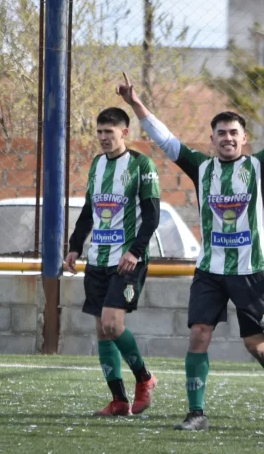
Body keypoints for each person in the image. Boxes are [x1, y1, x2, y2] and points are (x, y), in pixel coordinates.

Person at [118, 71, 264, 431]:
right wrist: (136, 104)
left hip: (251, 272)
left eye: (234, 133)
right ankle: (196, 412)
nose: (228, 138)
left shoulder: (259, 165)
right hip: (210, 271)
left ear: (244, 138)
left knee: (257, 346)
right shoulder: (200, 167)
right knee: (199, 333)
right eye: (221, 133)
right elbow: (165, 138)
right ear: (212, 139)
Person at [65, 107, 161, 417]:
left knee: (112, 323)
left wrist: (135, 251)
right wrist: (74, 247)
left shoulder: (141, 165)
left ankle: (145, 379)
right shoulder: (96, 165)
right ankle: (119, 400)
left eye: (110, 132)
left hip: (126, 260)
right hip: (97, 259)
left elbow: (152, 215)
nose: (104, 138)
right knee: (101, 330)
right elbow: (89, 210)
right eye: (100, 132)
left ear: (124, 133)